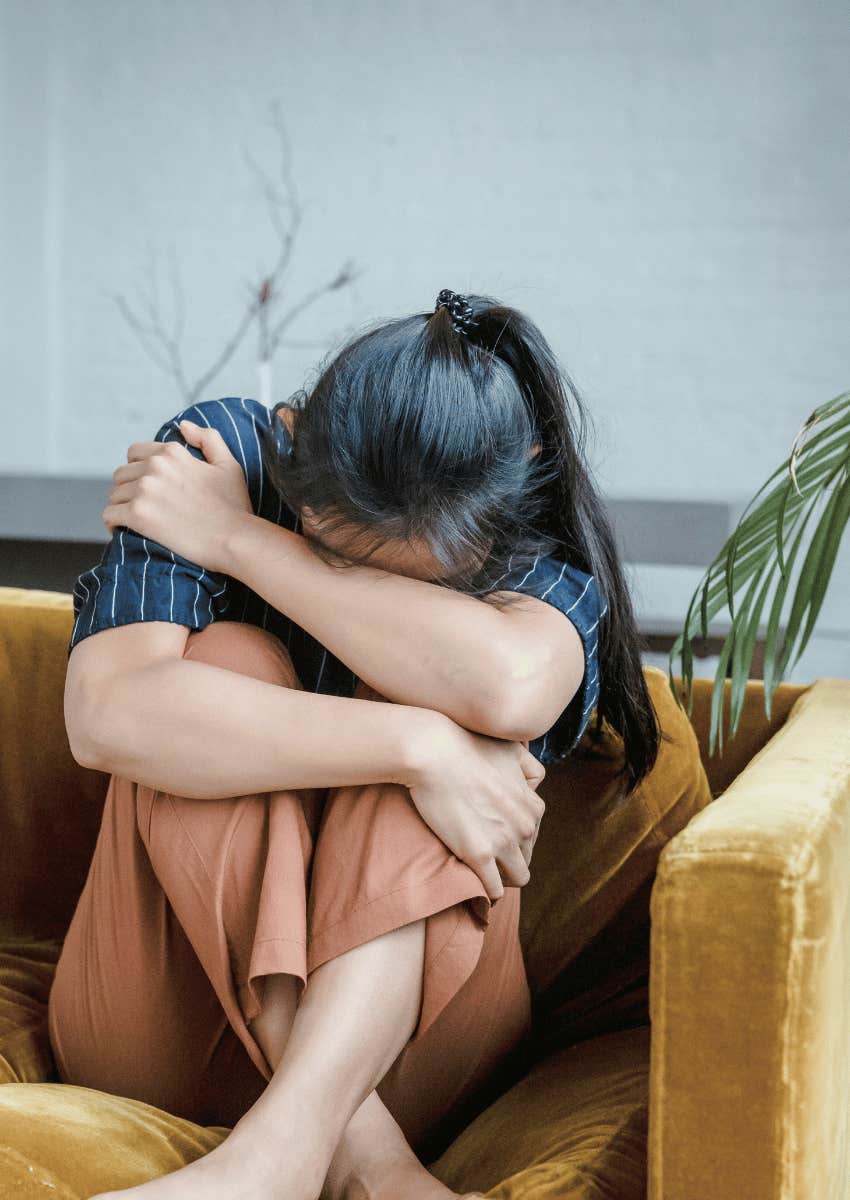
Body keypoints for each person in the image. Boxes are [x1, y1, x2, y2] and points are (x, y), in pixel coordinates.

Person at [51, 289, 659, 1200]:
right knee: (235, 661)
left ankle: (278, 1156)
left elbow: (503, 685)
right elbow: (108, 714)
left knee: (454, 704)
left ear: (515, 484)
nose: (363, 579)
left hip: (417, 1052)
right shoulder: (223, 454)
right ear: (294, 439)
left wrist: (236, 539)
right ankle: (360, 1166)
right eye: (342, 547)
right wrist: (415, 745)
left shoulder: (525, 536)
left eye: (405, 572)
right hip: (160, 1021)